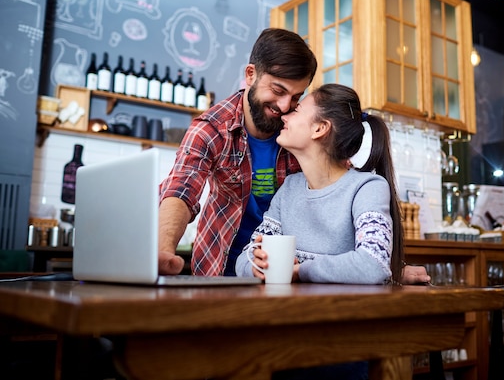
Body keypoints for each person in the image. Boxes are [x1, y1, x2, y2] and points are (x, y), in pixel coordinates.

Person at [158, 27, 430, 285]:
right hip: (223, 266)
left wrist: (384, 269)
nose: (285, 107)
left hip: (296, 278)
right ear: (251, 75)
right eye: (277, 91)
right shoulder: (213, 129)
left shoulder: (315, 150)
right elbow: (181, 191)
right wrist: (163, 251)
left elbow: (350, 225)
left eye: (297, 97)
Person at [236, 83, 403, 284]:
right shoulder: (289, 188)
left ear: (320, 128)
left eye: (296, 111)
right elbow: (245, 257)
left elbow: (373, 264)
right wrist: (257, 266)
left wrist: (299, 271)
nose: (284, 116)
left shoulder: (367, 188)